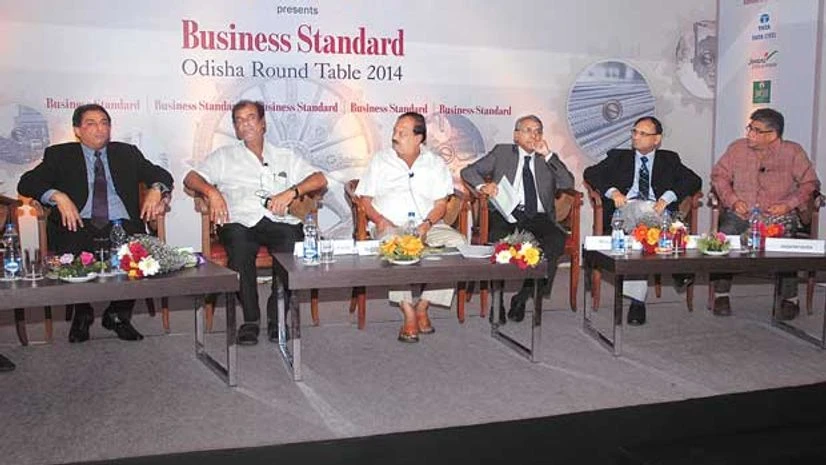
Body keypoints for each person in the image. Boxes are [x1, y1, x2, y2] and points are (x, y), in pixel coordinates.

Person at [18, 103, 173, 343]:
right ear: (77, 130)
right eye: (91, 123)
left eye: (104, 123)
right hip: (78, 223)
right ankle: (83, 312)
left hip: (122, 223)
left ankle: (118, 314)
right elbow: (26, 183)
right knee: (73, 249)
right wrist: (57, 196)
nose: (99, 129)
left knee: (140, 252)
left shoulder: (127, 153)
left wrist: (156, 188)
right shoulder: (60, 155)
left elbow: (162, 175)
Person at [184, 100, 327, 346]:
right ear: (236, 128)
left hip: (278, 219)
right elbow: (191, 178)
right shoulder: (224, 156)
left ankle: (276, 319)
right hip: (240, 220)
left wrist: (292, 192)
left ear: (263, 124)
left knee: (292, 244)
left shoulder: (284, 156)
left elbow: (320, 179)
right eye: (239, 120)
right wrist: (212, 192)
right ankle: (250, 320)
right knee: (240, 249)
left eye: (250, 118)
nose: (245, 124)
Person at [356, 112, 466, 343]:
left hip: (428, 224)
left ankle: (424, 305)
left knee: (458, 245)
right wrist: (379, 219)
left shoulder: (434, 163)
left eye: (402, 133)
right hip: (391, 225)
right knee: (393, 245)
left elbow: (441, 204)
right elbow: (364, 198)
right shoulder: (380, 160)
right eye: (395, 131)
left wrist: (427, 224)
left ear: (419, 138)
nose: (395, 136)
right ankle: (407, 311)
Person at [583, 116, 701, 325]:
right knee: (640, 208)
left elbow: (694, 180)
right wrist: (614, 192)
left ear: (657, 139)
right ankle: (678, 268)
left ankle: (637, 301)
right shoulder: (618, 157)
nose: (636, 137)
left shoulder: (669, 159)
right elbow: (591, 173)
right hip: (624, 214)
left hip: (658, 217)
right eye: (634, 132)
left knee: (641, 239)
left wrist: (667, 198)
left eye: (643, 133)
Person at [461, 115, 575, 322]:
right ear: (516, 135)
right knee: (499, 240)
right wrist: (483, 187)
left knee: (555, 240)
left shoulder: (547, 159)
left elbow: (568, 182)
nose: (534, 135)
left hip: (538, 217)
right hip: (506, 214)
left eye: (538, 131)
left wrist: (548, 155)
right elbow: (468, 171)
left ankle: (523, 297)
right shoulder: (502, 152)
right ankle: (498, 302)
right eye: (528, 130)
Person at [710, 108, 820, 320]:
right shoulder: (737, 149)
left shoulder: (793, 152)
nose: (749, 133)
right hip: (742, 213)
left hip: (777, 213)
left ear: (772, 135)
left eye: (755, 130)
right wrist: (733, 201)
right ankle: (721, 294)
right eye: (749, 128)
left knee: (786, 244)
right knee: (725, 235)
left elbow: (810, 183)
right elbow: (719, 176)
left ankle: (789, 299)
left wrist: (788, 205)